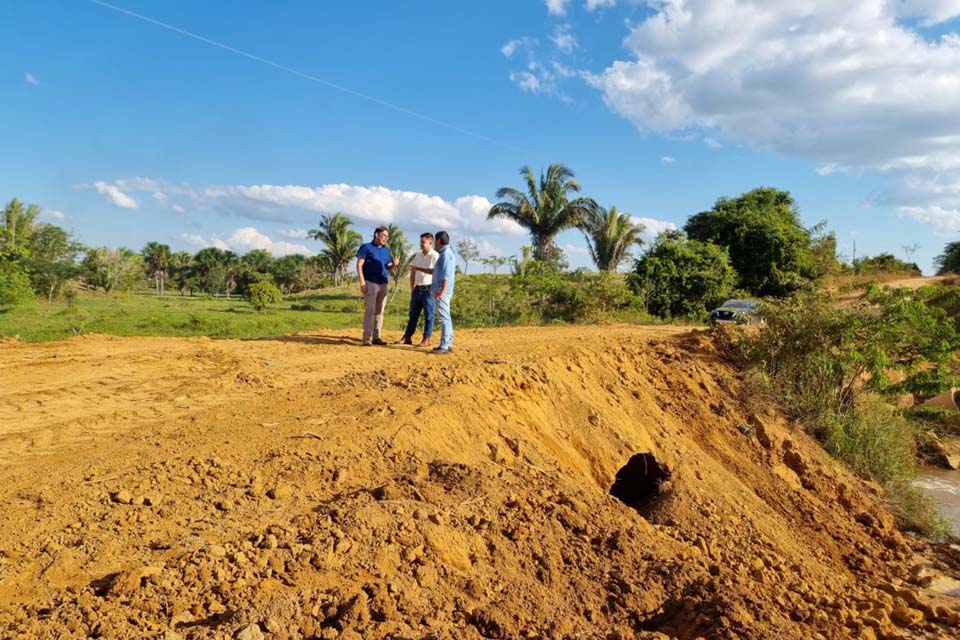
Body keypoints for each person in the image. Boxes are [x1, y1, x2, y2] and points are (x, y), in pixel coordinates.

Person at [412, 230, 456, 354]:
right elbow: (435, 271)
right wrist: (417, 268)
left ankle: (445, 345)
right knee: (445, 317)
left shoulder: (445, 254)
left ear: (437, 241)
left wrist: (442, 290)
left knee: (444, 318)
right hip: (442, 290)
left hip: (442, 291)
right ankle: (448, 343)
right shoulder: (446, 253)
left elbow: (446, 275)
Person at [356, 226, 397, 346]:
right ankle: (367, 338)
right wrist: (362, 282)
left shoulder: (386, 250)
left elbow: (388, 267)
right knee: (370, 310)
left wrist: (394, 264)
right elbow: (359, 265)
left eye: (387, 237)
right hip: (370, 282)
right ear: (376, 235)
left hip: (383, 283)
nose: (386, 238)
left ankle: (377, 337)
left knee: (380, 311)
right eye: (384, 236)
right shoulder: (366, 247)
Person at [398, 232, 439, 347]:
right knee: (413, 314)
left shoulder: (435, 256)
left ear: (430, 242)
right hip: (417, 288)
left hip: (429, 289)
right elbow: (413, 271)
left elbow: (435, 272)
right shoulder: (418, 255)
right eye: (420, 242)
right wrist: (412, 286)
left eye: (423, 242)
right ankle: (407, 336)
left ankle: (426, 338)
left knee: (429, 315)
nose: (421, 244)